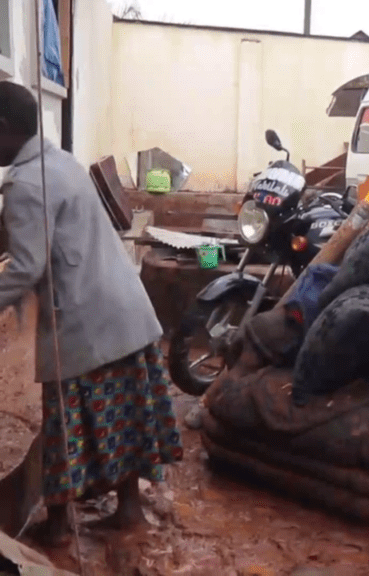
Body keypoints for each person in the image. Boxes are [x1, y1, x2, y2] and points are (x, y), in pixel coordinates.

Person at [0, 81, 183, 546]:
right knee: (127, 415)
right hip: (125, 310)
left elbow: (24, 267)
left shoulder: (25, 185)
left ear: (3, 129)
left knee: (65, 423)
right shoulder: (61, 162)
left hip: (83, 321)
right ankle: (128, 510)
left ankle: (59, 529)